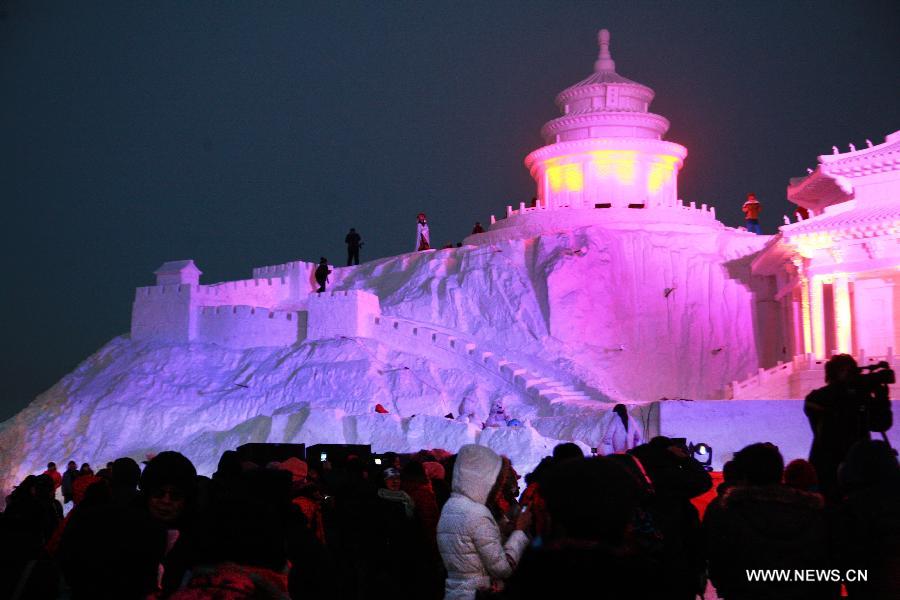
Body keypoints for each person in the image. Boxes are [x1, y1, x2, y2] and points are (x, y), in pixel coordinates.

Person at [704, 443, 832, 600]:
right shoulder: (813, 512)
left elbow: (717, 561)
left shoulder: (724, 510)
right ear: (780, 472)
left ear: (743, 475)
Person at [436, 444, 530, 599]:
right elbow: (503, 569)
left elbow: (469, 546)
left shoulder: (452, 505)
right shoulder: (477, 513)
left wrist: (501, 529)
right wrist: (519, 531)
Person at [804, 354, 893, 501]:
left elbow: (881, 424)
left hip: (853, 469)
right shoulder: (818, 399)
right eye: (849, 372)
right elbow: (834, 403)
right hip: (830, 469)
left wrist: (881, 400)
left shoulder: (858, 396)